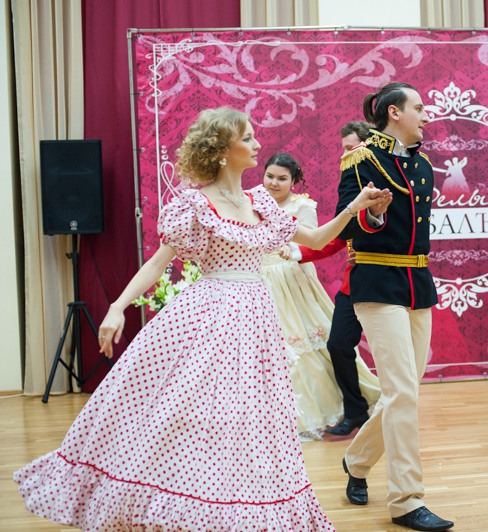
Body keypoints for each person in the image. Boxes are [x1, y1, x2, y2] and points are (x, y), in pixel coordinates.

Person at [13, 107, 390, 531]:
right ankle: (182, 503)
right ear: (223, 149)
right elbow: (158, 263)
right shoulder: (195, 204)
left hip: (256, 319)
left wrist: (355, 207)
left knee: (250, 418)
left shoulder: (261, 202)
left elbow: (318, 239)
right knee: (188, 412)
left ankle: (236, 505)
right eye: (247, 138)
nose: (257, 145)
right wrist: (117, 307)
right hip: (209, 317)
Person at [336, 82, 454, 532]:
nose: (426, 115)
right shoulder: (361, 159)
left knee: (404, 391)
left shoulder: (422, 164)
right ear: (393, 113)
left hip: (417, 283)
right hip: (377, 281)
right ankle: (407, 500)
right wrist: (373, 214)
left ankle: (356, 461)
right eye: (418, 107)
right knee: (402, 391)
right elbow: (346, 223)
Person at [257, 151, 381, 440]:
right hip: (261, 280)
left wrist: (292, 250)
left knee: (307, 343)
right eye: (269, 176)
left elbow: (316, 242)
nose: (274, 183)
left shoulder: (302, 206)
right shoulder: (255, 203)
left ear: (293, 181)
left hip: (292, 278)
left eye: (281, 178)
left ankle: (324, 410)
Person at [285, 120, 380, 437]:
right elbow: (337, 237)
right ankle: (356, 411)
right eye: (343, 149)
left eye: (351, 148)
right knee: (338, 345)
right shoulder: (351, 189)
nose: (345, 155)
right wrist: (298, 253)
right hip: (354, 284)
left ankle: (391, 411)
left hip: (387, 284)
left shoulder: (385, 181)